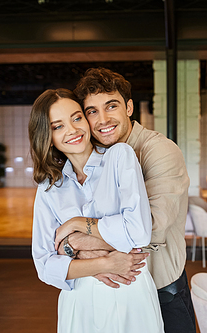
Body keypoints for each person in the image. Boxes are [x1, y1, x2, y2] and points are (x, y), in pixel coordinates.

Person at [58, 67, 196, 333]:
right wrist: (84, 254)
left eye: (111, 106)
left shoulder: (159, 151)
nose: (102, 119)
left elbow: (149, 227)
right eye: (92, 111)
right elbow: (58, 221)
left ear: (129, 107)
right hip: (109, 293)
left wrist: (78, 239)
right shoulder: (89, 156)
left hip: (161, 290)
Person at [29, 88, 164, 333]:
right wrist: (105, 263)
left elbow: (139, 233)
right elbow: (45, 265)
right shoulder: (49, 187)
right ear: (46, 137)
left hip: (128, 289)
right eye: (57, 126)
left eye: (77, 118)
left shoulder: (120, 157)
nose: (72, 130)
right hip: (81, 297)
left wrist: (75, 228)